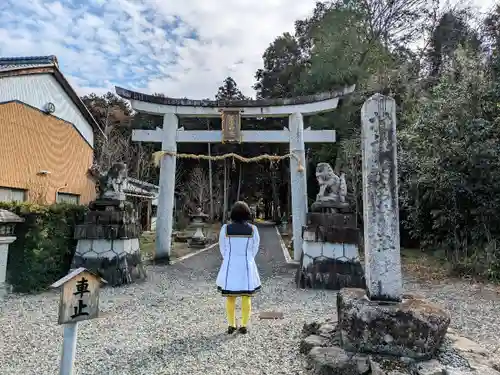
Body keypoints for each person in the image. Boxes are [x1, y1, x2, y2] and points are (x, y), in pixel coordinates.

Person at [216, 201, 261, 334]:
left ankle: (231, 324)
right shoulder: (253, 229)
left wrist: (229, 258)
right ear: (247, 214)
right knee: (246, 296)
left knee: (230, 296)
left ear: (233, 214)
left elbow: (222, 247)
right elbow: (255, 248)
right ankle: (244, 325)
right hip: (247, 265)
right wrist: (248, 258)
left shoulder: (225, 228)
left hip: (230, 265)